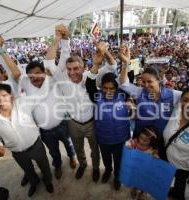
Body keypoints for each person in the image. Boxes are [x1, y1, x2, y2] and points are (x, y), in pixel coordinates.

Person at [44, 25, 104, 182]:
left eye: (76, 68)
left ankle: (96, 168)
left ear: (83, 67)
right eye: (69, 69)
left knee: (94, 150)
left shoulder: (91, 78)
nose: (72, 73)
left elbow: (110, 69)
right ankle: (83, 165)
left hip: (92, 123)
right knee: (78, 149)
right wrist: (59, 39)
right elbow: (49, 63)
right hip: (73, 123)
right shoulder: (62, 80)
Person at [0, 83, 53, 197]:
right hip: (17, 152)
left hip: (36, 146)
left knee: (44, 165)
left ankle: (48, 181)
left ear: (11, 96)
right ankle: (34, 182)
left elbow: (41, 94)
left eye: (4, 95)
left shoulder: (23, 104)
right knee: (27, 169)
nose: (1, 100)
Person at [18, 60, 77, 180]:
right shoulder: (27, 86)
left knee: (69, 144)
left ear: (44, 72)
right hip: (45, 130)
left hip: (63, 124)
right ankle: (58, 165)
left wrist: (61, 42)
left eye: (38, 73)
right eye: (31, 76)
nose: (35, 78)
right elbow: (13, 72)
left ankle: (72, 157)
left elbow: (62, 62)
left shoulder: (53, 80)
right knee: (53, 151)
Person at [85, 43, 130, 190]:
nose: (108, 90)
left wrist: (125, 63)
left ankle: (117, 176)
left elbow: (125, 80)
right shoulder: (96, 96)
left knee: (119, 160)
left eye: (112, 88)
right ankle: (108, 171)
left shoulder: (123, 95)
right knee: (106, 159)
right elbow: (90, 83)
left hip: (120, 139)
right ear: (101, 87)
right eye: (105, 88)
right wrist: (96, 63)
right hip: (103, 140)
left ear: (117, 88)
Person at [129, 126, 159, 200]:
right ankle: (135, 189)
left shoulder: (152, 149)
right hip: (135, 169)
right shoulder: (135, 142)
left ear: (151, 141)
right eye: (140, 138)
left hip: (145, 171)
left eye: (145, 140)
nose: (142, 141)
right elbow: (129, 145)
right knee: (135, 181)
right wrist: (129, 146)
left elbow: (156, 159)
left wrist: (156, 156)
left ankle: (142, 193)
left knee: (144, 183)